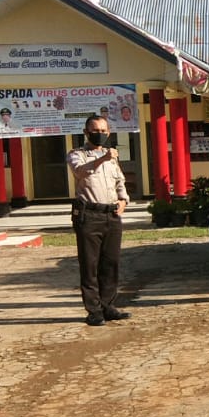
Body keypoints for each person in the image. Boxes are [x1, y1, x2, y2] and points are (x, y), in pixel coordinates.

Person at [67, 114, 130, 326]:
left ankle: (108, 306)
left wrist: (123, 200)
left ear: (109, 133)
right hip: (89, 215)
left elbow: (119, 180)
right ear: (86, 132)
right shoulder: (77, 154)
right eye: (95, 130)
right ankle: (93, 310)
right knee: (90, 264)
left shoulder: (112, 157)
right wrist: (102, 158)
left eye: (104, 131)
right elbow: (80, 172)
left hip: (111, 215)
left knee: (111, 263)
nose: (100, 134)